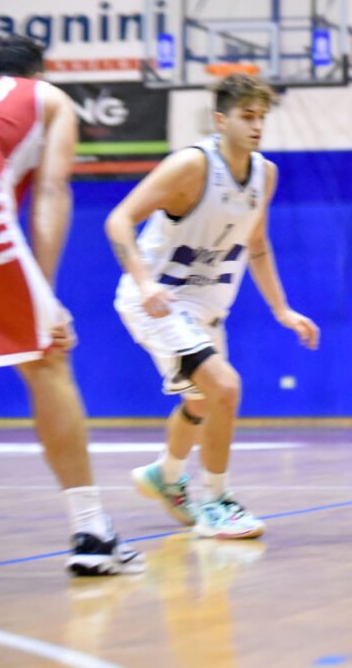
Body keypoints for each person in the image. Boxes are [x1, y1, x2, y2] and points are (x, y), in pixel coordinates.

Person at [105, 73, 319, 539]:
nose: (257, 125)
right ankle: (217, 501)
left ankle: (165, 476)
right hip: (159, 302)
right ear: (221, 120)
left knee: (201, 402)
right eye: (247, 116)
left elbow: (257, 244)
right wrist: (143, 283)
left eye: (262, 117)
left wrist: (282, 310)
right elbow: (118, 220)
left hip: (206, 309)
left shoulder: (265, 174)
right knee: (225, 387)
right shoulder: (191, 166)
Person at [0, 35, 142, 575]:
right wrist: (45, 299)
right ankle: (93, 530)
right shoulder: (49, 99)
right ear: (38, 72)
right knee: (47, 356)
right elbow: (53, 193)